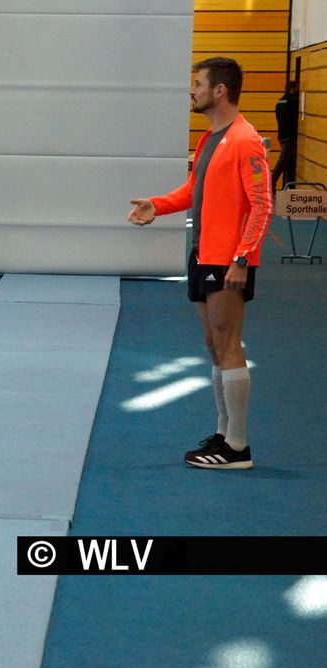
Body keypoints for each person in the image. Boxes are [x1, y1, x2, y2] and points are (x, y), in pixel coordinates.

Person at [128, 57, 272, 470]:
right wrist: (157, 205)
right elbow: (194, 189)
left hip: (228, 260)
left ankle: (237, 446)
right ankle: (224, 435)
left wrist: (242, 258)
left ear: (219, 91)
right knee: (214, 345)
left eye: (198, 84)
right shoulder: (210, 138)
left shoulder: (245, 140)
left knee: (228, 344)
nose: (192, 91)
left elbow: (263, 205)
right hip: (202, 253)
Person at [271, 80, 299, 191]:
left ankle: (290, 188)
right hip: (290, 136)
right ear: (292, 88)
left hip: (282, 135)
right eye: (296, 88)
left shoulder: (280, 101)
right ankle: (271, 182)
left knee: (289, 163)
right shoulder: (293, 102)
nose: (298, 90)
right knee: (283, 161)